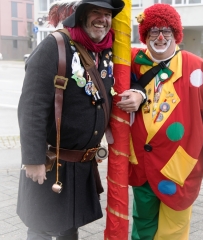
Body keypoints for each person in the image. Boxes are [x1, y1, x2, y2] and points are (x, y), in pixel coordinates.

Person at [116, 3, 203, 240]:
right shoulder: (131, 61)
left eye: (166, 31)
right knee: (143, 224)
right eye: (153, 31)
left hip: (179, 166)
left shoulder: (197, 66)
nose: (160, 37)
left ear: (176, 34)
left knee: (174, 228)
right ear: (145, 34)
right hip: (143, 163)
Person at [17, 0, 125, 239]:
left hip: (81, 165)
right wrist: (33, 159)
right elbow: (32, 108)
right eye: (96, 11)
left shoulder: (105, 51)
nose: (103, 19)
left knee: (69, 227)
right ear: (82, 15)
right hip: (51, 161)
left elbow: (129, 77)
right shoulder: (54, 46)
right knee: (41, 227)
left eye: (107, 14)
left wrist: (137, 93)